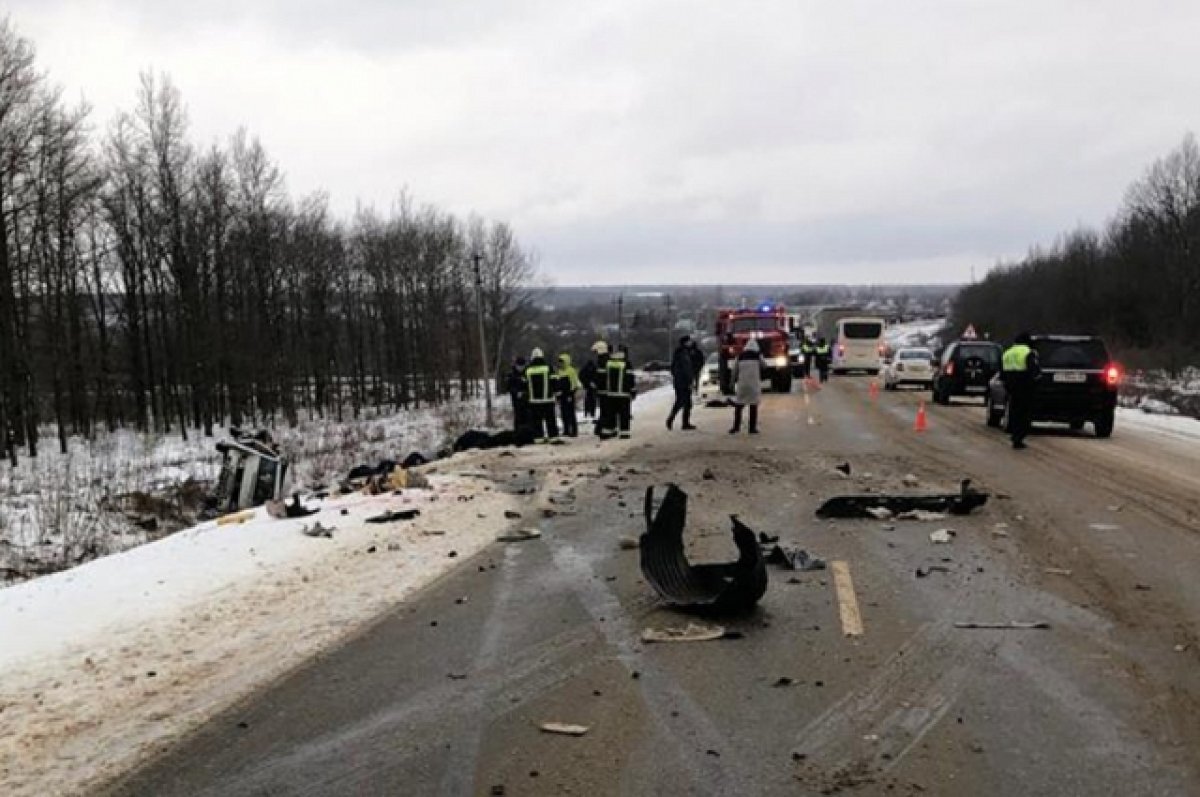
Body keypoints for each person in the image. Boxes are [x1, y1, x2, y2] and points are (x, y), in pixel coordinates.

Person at [1001, 331, 1041, 450]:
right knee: (1024, 414)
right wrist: (1037, 382)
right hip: (1025, 386)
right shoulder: (1028, 352)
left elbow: (1002, 372)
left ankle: (1014, 434)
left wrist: (1007, 385)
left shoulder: (1007, 353)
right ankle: (1018, 437)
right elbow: (1034, 371)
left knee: (1014, 411)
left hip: (1011, 387)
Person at [524, 348, 560, 443]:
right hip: (547, 399)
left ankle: (538, 438)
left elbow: (524, 385)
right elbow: (554, 381)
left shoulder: (528, 369)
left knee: (536, 421)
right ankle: (553, 437)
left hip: (534, 401)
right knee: (550, 419)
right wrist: (557, 393)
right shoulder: (548, 367)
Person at [730, 337, 763, 434]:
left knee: (739, 407)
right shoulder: (757, 356)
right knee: (753, 407)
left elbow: (734, 370)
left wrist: (732, 382)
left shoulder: (740, 356)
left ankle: (736, 427)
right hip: (754, 385)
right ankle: (752, 428)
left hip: (742, 385)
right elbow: (764, 365)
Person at [603, 348, 636, 439]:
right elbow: (630, 378)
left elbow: (604, 378)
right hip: (624, 394)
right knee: (624, 414)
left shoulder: (608, 364)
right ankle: (624, 433)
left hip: (610, 394)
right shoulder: (626, 364)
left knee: (610, 414)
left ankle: (608, 431)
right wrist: (632, 390)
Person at [666, 335, 698, 430]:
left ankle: (684, 423)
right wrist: (689, 380)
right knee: (681, 402)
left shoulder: (683, 352)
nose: (691, 343)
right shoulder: (682, 354)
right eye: (689, 341)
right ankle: (672, 419)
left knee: (685, 402)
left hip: (680, 381)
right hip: (682, 382)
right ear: (685, 342)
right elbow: (686, 369)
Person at [555, 352, 581, 437]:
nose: (560, 364)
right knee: (563, 413)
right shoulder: (559, 371)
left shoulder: (571, 371)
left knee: (570, 413)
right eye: (559, 362)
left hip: (569, 394)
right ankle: (566, 430)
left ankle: (574, 431)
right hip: (562, 395)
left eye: (562, 362)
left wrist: (571, 393)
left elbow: (574, 383)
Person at [580, 341, 605, 419]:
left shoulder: (589, 367)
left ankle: (588, 414)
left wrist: (587, 383)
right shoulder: (595, 366)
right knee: (591, 401)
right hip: (593, 386)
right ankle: (591, 414)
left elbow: (581, 375)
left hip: (591, 386)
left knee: (589, 401)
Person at [505, 356, 530, 433]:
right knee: (518, 417)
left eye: (522, 366)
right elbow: (509, 387)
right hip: (516, 400)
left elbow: (529, 385)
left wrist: (526, 393)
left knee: (528, 417)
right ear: (516, 365)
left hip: (527, 400)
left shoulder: (527, 373)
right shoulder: (512, 374)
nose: (521, 368)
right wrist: (516, 392)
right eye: (519, 366)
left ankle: (527, 432)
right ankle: (518, 432)